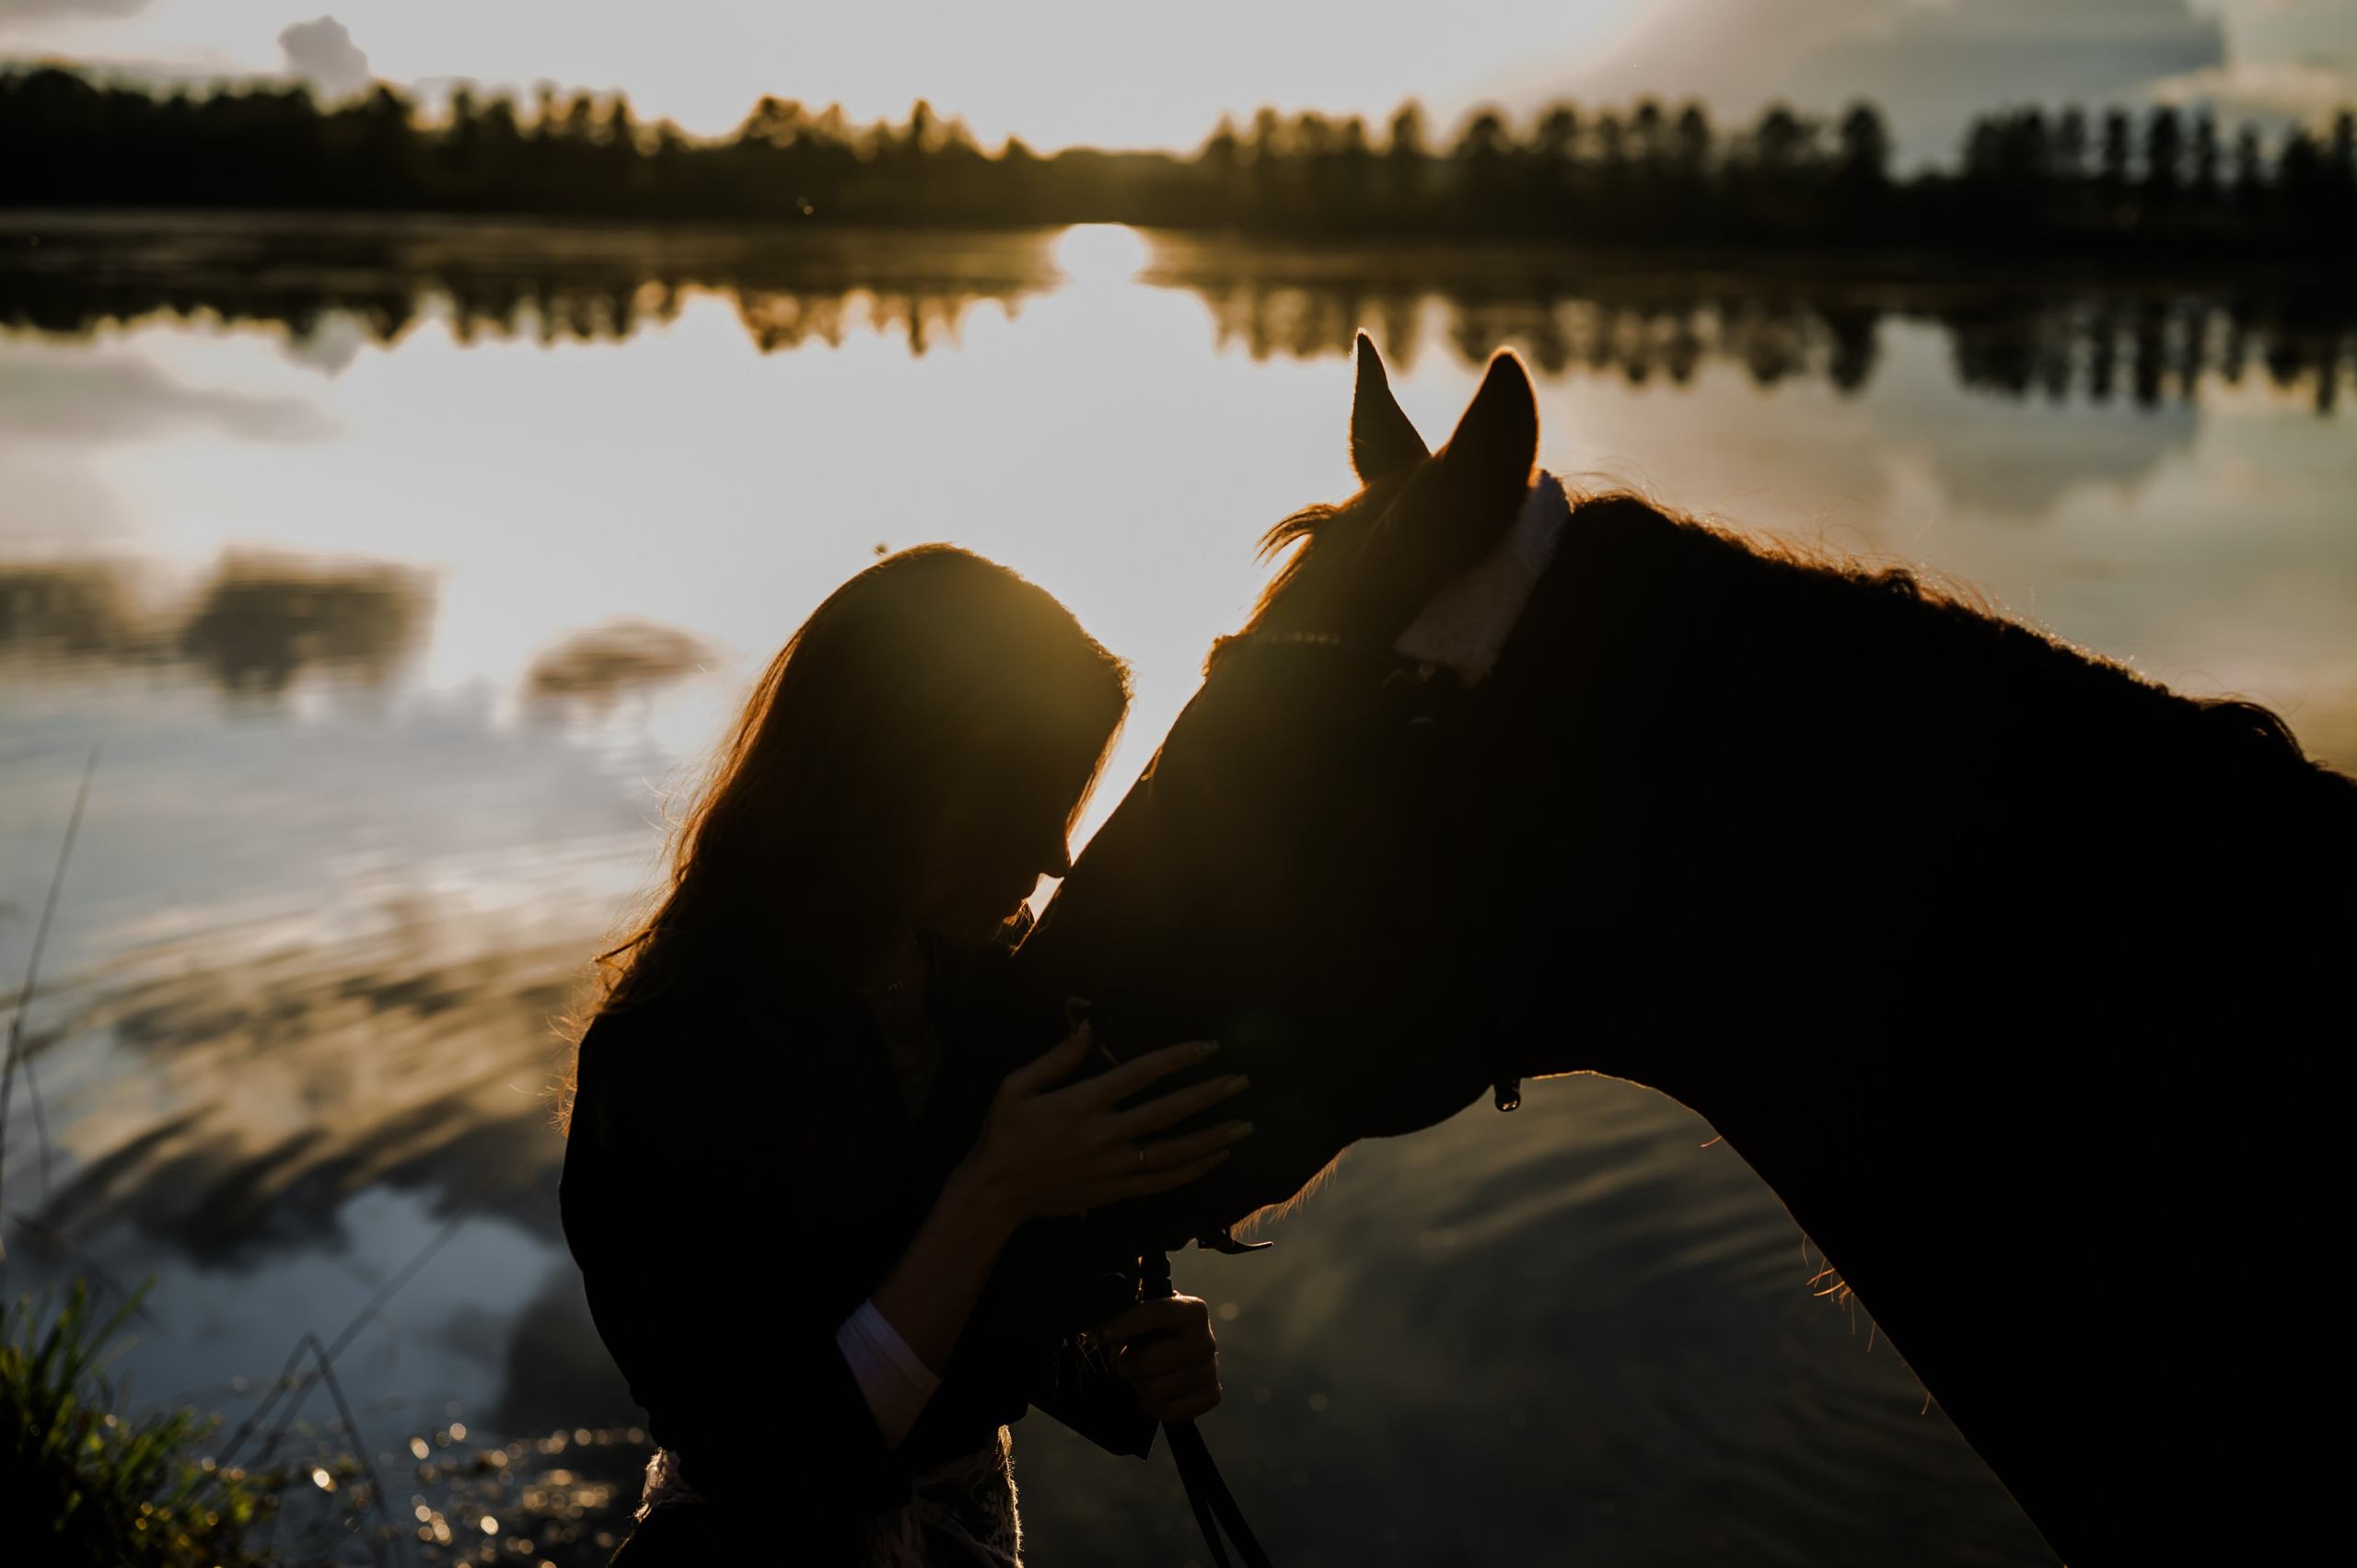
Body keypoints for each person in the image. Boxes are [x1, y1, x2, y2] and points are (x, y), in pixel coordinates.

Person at [560, 546, 1251, 1565]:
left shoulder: (987, 988)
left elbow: (992, 1312)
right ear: (896, 778)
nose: (1056, 854)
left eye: (1067, 799)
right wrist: (992, 1192)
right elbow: (771, 1456)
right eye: (1025, 801)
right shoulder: (668, 1056)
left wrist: (1116, 1343)